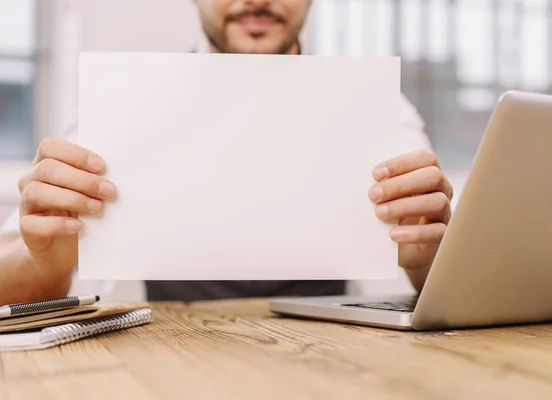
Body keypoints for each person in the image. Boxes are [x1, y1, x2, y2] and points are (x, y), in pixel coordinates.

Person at [0, 0, 454, 304]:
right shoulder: (121, 104)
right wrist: (45, 261)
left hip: (328, 362)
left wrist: (430, 258)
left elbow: (444, 281)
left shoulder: (378, 110)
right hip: (164, 357)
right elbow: (10, 282)